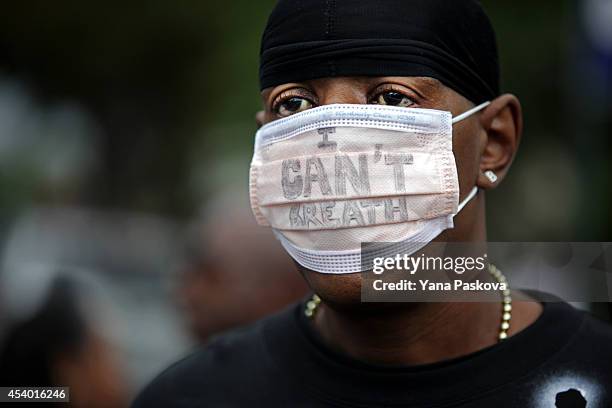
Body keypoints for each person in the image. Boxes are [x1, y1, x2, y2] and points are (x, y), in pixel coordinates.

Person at [133, 1, 612, 406]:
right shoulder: (193, 396)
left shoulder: (596, 380)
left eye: (392, 98)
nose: (333, 144)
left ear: (495, 143)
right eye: (294, 104)